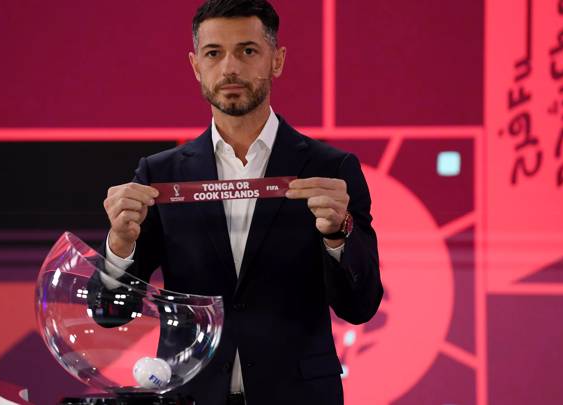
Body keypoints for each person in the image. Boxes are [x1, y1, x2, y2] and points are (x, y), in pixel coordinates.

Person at [98, 1, 382, 403]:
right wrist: (119, 248)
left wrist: (340, 234)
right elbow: (110, 315)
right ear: (197, 66)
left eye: (248, 51)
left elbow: (361, 305)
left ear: (276, 60)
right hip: (190, 395)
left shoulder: (330, 169)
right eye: (214, 53)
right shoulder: (159, 175)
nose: (230, 67)